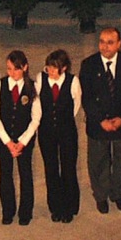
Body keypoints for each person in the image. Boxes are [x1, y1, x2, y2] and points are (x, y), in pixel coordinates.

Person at [79, 26, 121, 213]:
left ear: (119, 44)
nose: (105, 47)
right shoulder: (89, 64)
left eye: (110, 42)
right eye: (102, 42)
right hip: (99, 124)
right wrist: (100, 120)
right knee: (98, 161)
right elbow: (86, 97)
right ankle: (101, 195)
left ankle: (117, 193)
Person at [0, 49, 41, 225]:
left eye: (16, 69)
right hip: (4, 139)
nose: (12, 73)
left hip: (25, 139)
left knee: (25, 173)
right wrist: (8, 142)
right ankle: (7, 210)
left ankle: (26, 212)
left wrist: (23, 142)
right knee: (5, 173)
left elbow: (36, 118)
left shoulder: (32, 87)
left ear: (25, 67)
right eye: (9, 69)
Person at [37, 49, 82, 222]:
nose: (50, 71)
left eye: (54, 68)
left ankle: (69, 207)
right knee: (51, 169)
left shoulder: (72, 81)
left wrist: (64, 119)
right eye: (49, 67)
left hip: (67, 131)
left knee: (68, 169)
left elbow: (76, 104)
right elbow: (37, 103)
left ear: (64, 68)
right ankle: (55, 207)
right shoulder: (41, 79)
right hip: (46, 131)